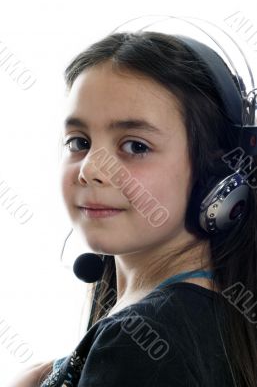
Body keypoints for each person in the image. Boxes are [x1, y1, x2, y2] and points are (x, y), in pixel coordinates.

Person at [11, 30, 257, 387]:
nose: (91, 170)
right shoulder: (213, 322)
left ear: (216, 172)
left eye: (136, 146)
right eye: (79, 142)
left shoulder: (139, 342)